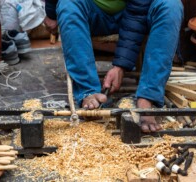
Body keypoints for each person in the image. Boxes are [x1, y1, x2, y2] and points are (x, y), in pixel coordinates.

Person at [44, 0, 183, 132]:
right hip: (92, 12)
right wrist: (51, 13)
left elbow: (137, 12)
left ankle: (148, 97)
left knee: (170, 6)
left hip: (139, 13)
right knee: (68, 5)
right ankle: (88, 91)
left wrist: (120, 66)